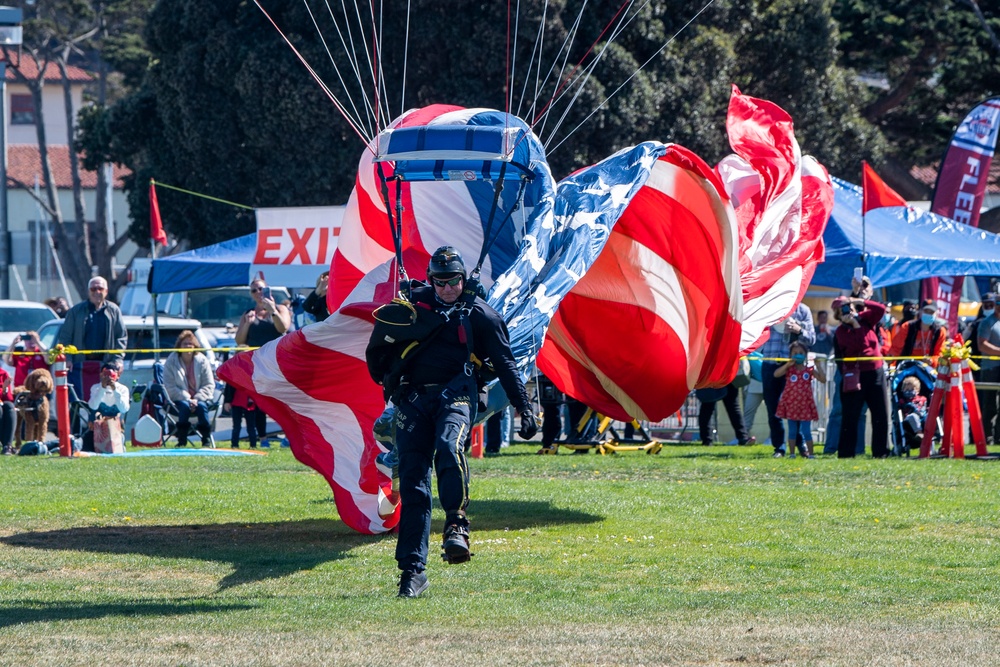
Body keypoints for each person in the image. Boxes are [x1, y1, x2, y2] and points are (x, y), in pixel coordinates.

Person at [366, 246, 537, 598]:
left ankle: (456, 526)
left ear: (464, 278)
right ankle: (412, 572)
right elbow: (377, 355)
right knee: (413, 484)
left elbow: (505, 364)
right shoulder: (411, 309)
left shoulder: (479, 316)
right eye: (440, 282)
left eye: (453, 281)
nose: (447, 288)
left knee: (448, 446)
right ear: (431, 280)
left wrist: (525, 407)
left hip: (457, 397)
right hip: (413, 401)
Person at [832, 296, 890, 458]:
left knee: (880, 414)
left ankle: (880, 452)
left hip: (875, 373)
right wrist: (854, 326)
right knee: (850, 415)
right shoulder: (841, 332)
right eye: (843, 308)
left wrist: (860, 302)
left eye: (849, 306)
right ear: (838, 314)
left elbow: (880, 310)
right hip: (855, 376)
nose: (848, 310)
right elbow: (859, 345)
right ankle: (846, 452)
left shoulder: (866, 319)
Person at [235, 279, 290, 446]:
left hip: (276, 362)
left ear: (267, 289)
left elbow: (283, 328)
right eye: (254, 291)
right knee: (259, 402)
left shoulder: (280, 308)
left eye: (260, 289)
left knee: (282, 401)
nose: (258, 293)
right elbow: (239, 340)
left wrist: (272, 310)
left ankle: (288, 436)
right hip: (257, 363)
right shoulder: (248, 313)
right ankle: (263, 438)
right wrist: (248, 324)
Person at [57, 276, 127, 402]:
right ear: (88, 291)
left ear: (106, 291)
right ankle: (76, 422)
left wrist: (118, 359)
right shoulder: (75, 311)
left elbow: (121, 337)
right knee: (76, 403)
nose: (97, 292)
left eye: (100, 288)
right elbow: (65, 337)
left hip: (105, 366)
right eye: (93, 289)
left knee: (107, 403)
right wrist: (68, 358)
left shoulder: (114, 310)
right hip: (80, 366)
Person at [759, 303, 815, 457]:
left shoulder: (803, 310)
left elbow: (812, 338)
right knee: (772, 408)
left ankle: (800, 443)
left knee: (795, 406)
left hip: (793, 367)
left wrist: (799, 330)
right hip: (770, 365)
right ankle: (779, 447)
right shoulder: (770, 306)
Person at [163, 330, 217, 448]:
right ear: (179, 346)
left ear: (195, 346)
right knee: (185, 406)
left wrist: (197, 398)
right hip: (178, 400)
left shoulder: (202, 360)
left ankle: (206, 439)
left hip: (200, 398)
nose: (188, 346)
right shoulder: (171, 361)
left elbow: (209, 384)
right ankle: (182, 439)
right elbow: (169, 386)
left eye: (190, 344)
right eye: (185, 344)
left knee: (202, 407)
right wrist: (187, 398)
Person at [774, 341, 826, 458]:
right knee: (792, 431)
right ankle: (792, 454)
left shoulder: (809, 370)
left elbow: (823, 379)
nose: (798, 355)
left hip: (805, 405)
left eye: (801, 353)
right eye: (795, 353)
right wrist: (787, 364)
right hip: (791, 404)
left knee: (806, 431)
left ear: (806, 355)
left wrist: (818, 366)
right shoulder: (789, 370)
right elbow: (776, 374)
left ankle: (811, 454)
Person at [976, 292, 1000, 444]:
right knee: (989, 405)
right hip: (990, 369)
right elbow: (982, 345)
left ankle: (998, 436)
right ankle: (986, 436)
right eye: (998, 304)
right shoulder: (987, 322)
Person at [888, 299, 945, 363]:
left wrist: (932, 360)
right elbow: (896, 347)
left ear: (936, 314)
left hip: (929, 368)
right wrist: (891, 356)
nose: (928, 314)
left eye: (931, 312)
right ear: (920, 312)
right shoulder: (907, 326)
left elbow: (939, 353)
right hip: (907, 365)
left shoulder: (940, 331)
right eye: (926, 311)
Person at [697, 382, 754, 447]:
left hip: (712, 378)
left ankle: (706, 440)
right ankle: (743, 438)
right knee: (733, 408)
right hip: (727, 378)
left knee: (706, 408)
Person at [223, 375, 258, 449]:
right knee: (236, 426)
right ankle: (234, 444)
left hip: (249, 402)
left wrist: (253, 398)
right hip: (236, 401)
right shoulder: (234, 371)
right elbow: (229, 386)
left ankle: (253, 445)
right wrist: (227, 401)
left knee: (251, 426)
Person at [0, 367, 16, 455]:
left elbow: (8, 398)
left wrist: (5, 389)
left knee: (10, 406)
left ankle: (7, 445)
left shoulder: (3, 373)